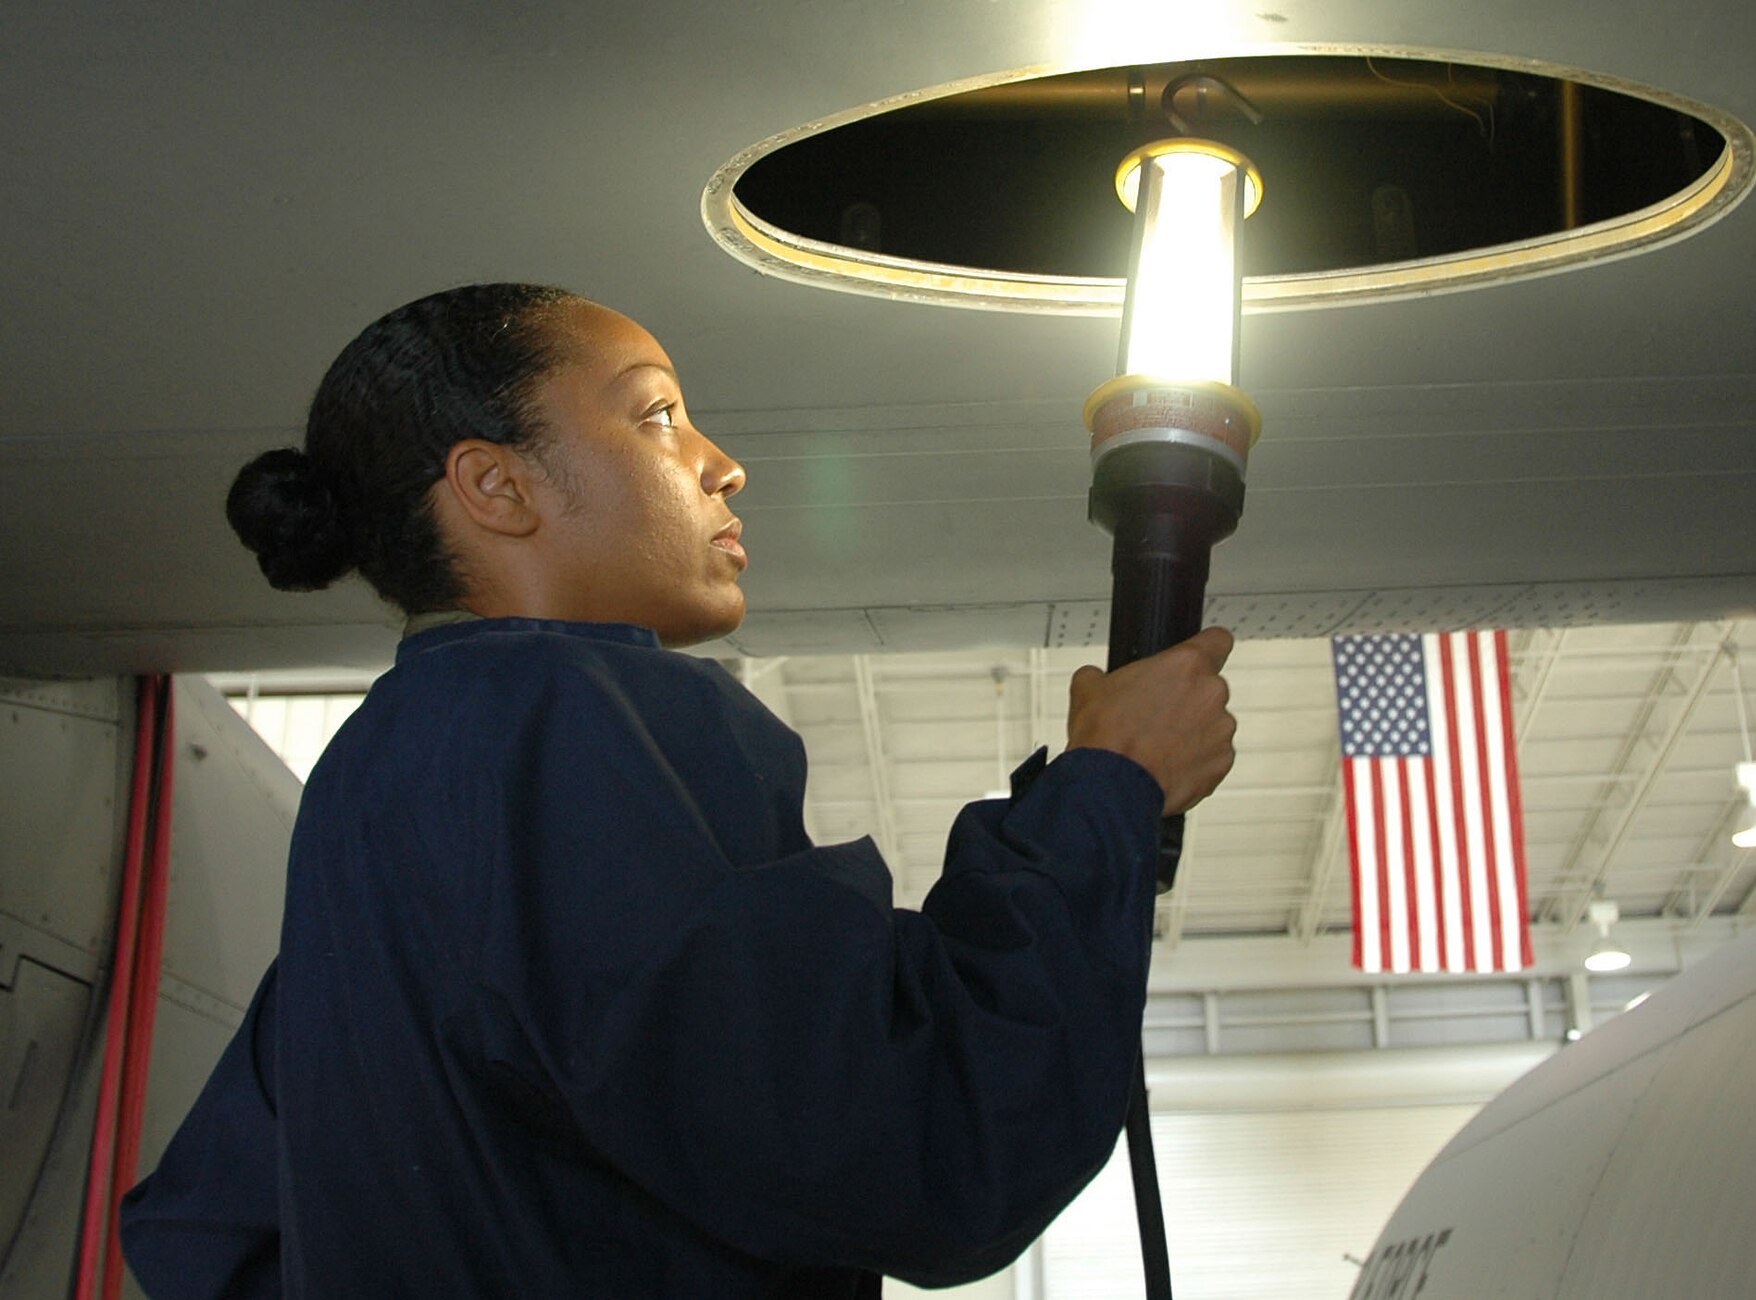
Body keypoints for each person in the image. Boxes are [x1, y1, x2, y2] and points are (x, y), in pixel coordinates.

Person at [120, 284, 1236, 1298]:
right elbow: (915, 1142)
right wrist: (1109, 791)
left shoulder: (376, 788)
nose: (721, 464)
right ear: (496, 486)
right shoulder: (561, 720)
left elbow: (202, 1229)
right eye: (657, 415)